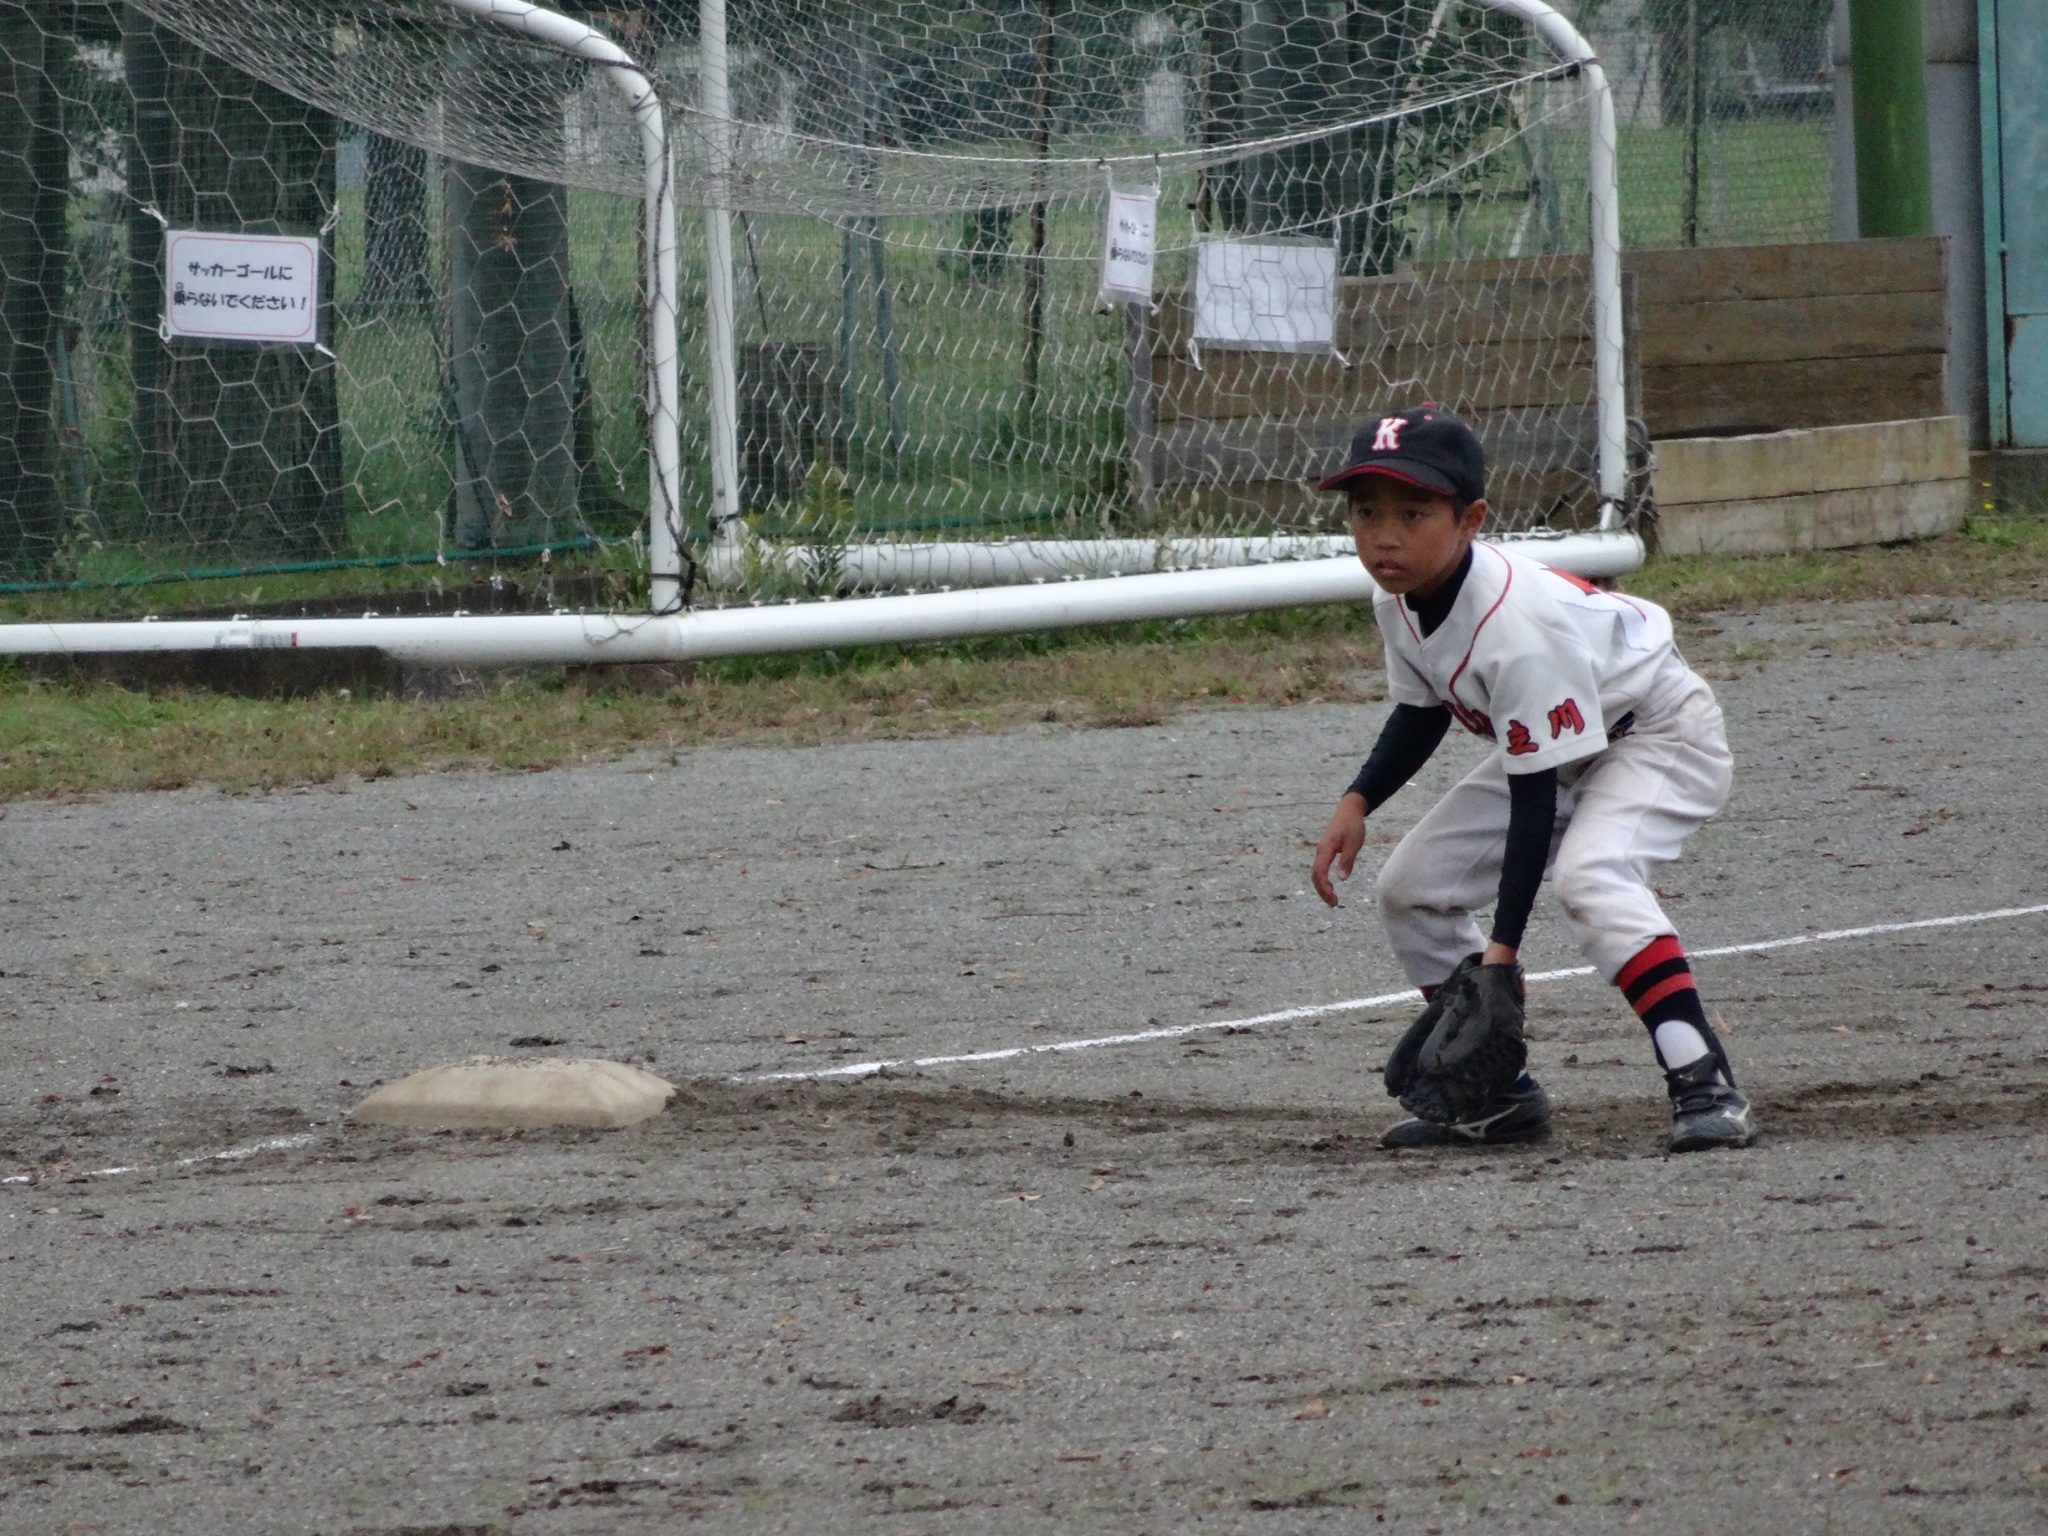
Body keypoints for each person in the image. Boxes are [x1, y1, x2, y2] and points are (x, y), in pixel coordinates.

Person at [1307, 405, 1757, 1153]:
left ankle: (1705, 1081)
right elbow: (1422, 710)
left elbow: (1533, 797)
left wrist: (1503, 953)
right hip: (1564, 745)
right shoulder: (1397, 592)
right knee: (1411, 888)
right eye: (1365, 512)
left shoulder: (1516, 625)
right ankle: (1496, 1098)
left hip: (1656, 731)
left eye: (1414, 512)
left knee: (1592, 877)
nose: (1384, 535)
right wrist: (1357, 801)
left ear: (1470, 519)